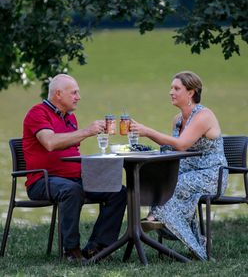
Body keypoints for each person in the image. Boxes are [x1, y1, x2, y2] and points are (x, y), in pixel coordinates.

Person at [23, 74, 126, 262]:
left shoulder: (70, 118)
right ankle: (71, 250)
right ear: (58, 94)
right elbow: (50, 143)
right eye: (74, 93)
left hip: (74, 179)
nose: (78, 97)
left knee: (117, 190)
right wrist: (86, 131)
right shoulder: (38, 113)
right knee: (72, 190)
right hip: (42, 181)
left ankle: (98, 247)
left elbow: (71, 151)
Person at [130, 71, 228, 260]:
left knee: (175, 184)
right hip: (186, 173)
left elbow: (182, 144)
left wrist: (147, 131)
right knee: (161, 181)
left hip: (211, 175)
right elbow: (175, 149)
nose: (171, 92)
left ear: (191, 92)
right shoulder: (177, 120)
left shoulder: (204, 115)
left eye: (176, 88)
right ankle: (164, 223)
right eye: (171, 88)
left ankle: (157, 219)